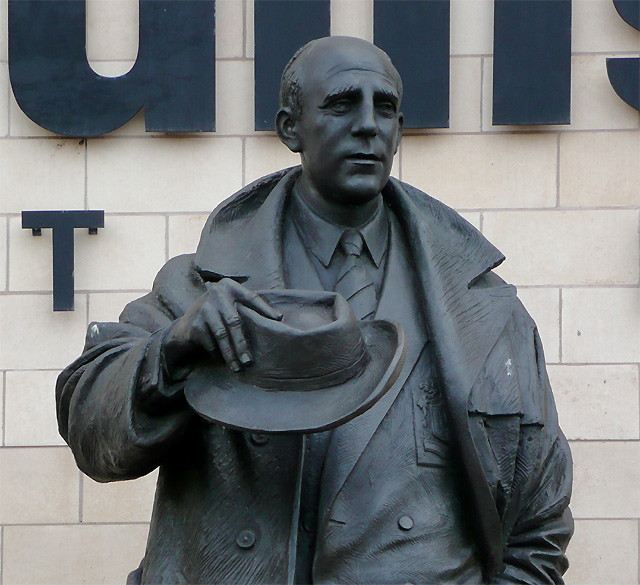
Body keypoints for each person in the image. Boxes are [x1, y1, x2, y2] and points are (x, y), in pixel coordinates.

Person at [56, 36, 573, 585]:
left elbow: (537, 528)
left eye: (386, 108)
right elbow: (91, 429)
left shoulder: (486, 310)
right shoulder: (202, 285)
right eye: (342, 104)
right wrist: (172, 352)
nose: (369, 125)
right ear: (289, 129)